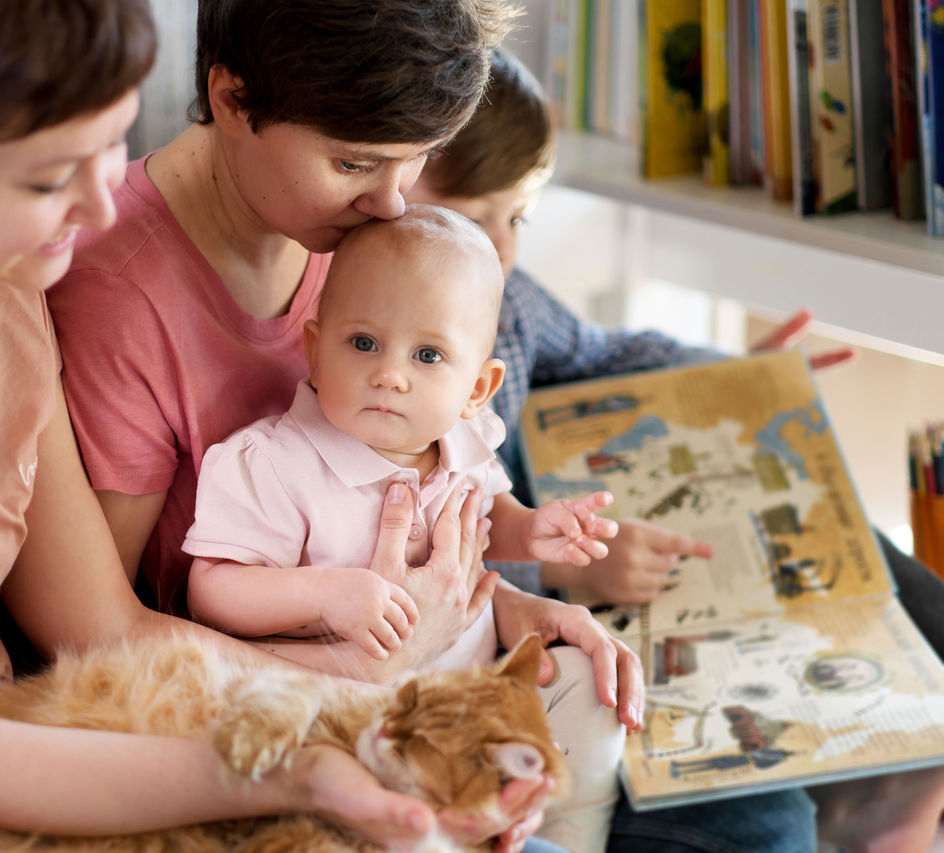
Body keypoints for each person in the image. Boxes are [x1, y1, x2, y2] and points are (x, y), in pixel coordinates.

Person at [0, 2, 516, 851]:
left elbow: (78, 634)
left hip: (15, 739)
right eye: (50, 178)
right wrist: (305, 756)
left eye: (110, 145)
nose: (106, 203)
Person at [48, 3, 645, 850]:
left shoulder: (361, 230)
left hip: (423, 672)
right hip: (269, 721)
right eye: (355, 162)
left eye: (418, 162)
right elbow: (98, 629)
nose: (393, 201)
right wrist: (362, 674)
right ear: (230, 99)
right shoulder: (119, 296)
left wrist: (508, 605)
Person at [401, 46, 944, 853]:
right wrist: (558, 570)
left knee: (916, 602)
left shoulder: (506, 301)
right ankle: (869, 813)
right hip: (518, 634)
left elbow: (605, 351)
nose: (503, 249)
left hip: (590, 555)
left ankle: (902, 799)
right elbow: (408, 545)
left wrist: (742, 378)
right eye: (477, 214)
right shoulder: (381, 361)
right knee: (770, 822)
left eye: (517, 217)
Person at [183, 205, 629, 853]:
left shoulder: (466, 439)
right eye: (363, 343)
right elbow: (212, 589)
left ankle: (557, 827)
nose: (390, 373)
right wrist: (326, 593)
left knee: (589, 689)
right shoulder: (276, 463)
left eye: (427, 354)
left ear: (478, 387)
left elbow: (486, 523)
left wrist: (532, 531)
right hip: (355, 718)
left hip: (474, 699)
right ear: (314, 347)